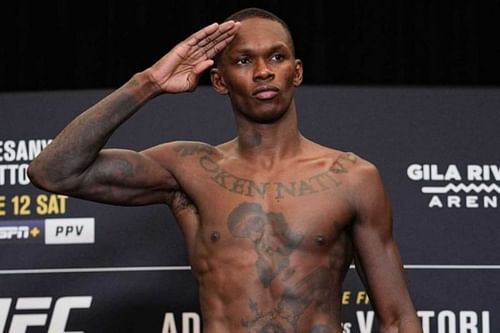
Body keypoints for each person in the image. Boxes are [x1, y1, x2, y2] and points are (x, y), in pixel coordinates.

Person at [28, 7, 422, 333]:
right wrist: (147, 83)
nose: (264, 71)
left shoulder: (351, 176)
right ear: (219, 80)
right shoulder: (189, 169)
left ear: (296, 72)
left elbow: (398, 319)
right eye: (244, 60)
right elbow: (54, 172)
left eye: (277, 56)